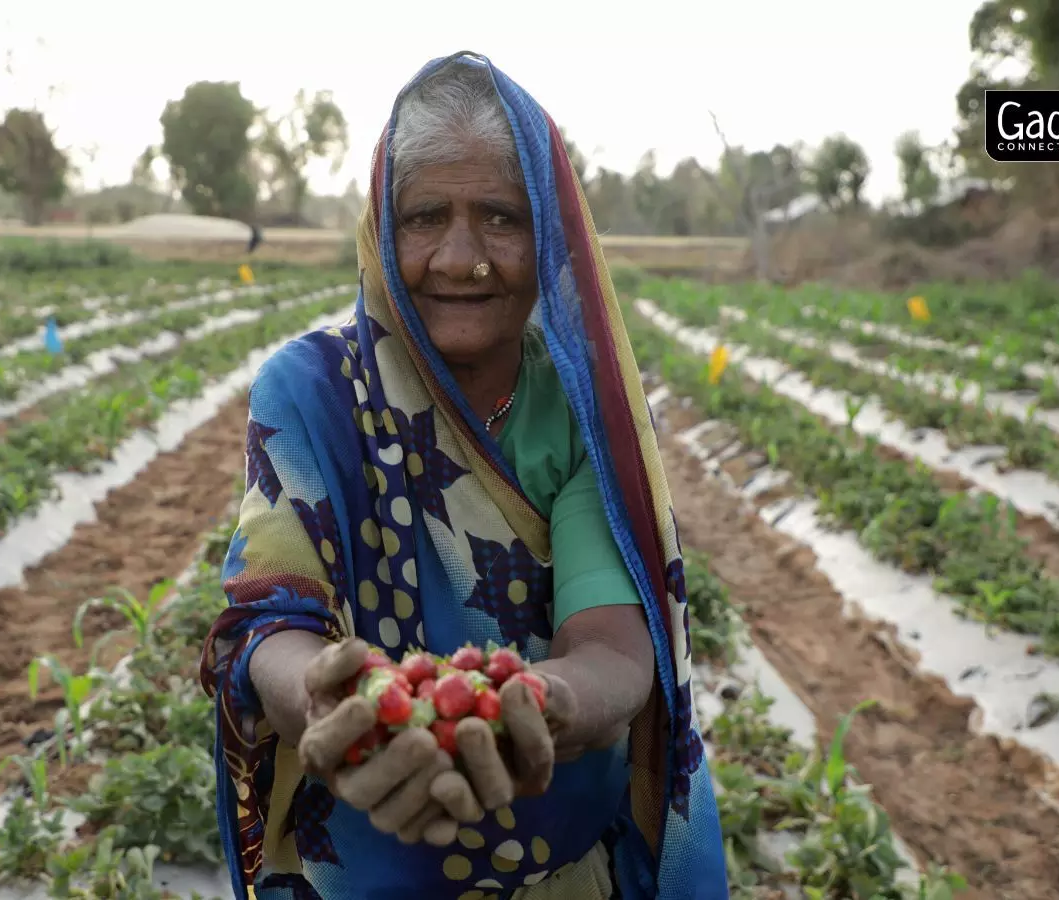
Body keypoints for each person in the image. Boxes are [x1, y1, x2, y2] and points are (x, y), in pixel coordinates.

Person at [199, 51, 727, 900]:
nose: (461, 257)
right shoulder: (311, 393)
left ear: (550, 232)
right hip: (369, 871)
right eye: (424, 217)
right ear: (381, 227)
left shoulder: (590, 413)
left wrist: (539, 702)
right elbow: (273, 620)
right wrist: (336, 704)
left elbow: (611, 646)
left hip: (563, 867)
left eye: (502, 218)